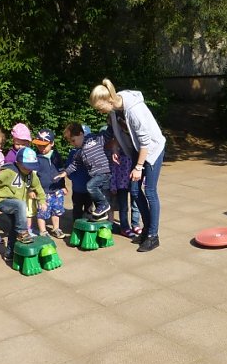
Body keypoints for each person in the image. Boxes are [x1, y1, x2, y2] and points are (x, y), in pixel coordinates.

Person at [90, 79, 166, 252]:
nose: (99, 111)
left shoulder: (134, 111)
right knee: (134, 190)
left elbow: (146, 142)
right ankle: (146, 230)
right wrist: (116, 146)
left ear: (108, 100)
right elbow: (121, 131)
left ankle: (153, 236)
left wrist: (139, 167)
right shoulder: (115, 110)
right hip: (136, 151)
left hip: (152, 150)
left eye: (99, 107)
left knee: (150, 191)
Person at [0, 146, 46, 264]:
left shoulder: (31, 174)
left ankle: (10, 253)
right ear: (18, 163)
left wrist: (42, 200)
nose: (28, 170)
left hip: (17, 205)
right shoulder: (9, 171)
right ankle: (23, 232)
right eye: (26, 167)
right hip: (3, 201)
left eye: (31, 167)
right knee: (20, 205)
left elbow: (38, 187)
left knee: (14, 227)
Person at [56, 123, 112, 219]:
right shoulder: (79, 152)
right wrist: (65, 173)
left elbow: (108, 134)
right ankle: (102, 213)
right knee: (96, 191)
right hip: (96, 175)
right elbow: (74, 165)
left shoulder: (94, 139)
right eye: (71, 142)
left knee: (90, 186)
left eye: (73, 140)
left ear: (81, 133)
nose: (73, 144)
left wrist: (112, 120)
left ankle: (103, 205)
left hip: (104, 171)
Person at [32, 128, 67, 238]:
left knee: (56, 211)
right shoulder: (36, 158)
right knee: (42, 212)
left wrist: (63, 186)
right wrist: (32, 189)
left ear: (52, 143)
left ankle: (56, 228)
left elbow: (61, 171)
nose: (41, 148)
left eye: (44, 145)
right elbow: (33, 176)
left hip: (57, 190)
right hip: (42, 192)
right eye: (39, 145)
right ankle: (43, 231)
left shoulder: (56, 155)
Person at [107, 136, 142, 238]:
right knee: (123, 207)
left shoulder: (135, 154)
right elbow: (113, 171)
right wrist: (113, 186)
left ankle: (135, 224)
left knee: (135, 204)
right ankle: (124, 227)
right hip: (121, 185)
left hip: (134, 181)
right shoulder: (117, 154)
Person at [63, 124, 93, 226]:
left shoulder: (91, 152)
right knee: (77, 209)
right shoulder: (73, 153)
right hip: (77, 188)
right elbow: (69, 166)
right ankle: (76, 228)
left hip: (90, 188)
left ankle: (87, 230)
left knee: (89, 210)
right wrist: (73, 178)